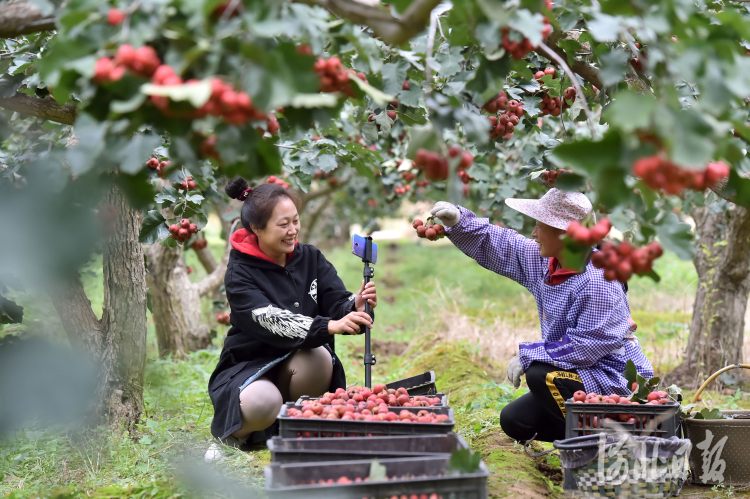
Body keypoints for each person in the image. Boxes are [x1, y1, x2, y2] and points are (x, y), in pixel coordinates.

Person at [430, 188, 654, 443]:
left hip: (614, 380)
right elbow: (506, 245)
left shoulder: (598, 282)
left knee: (541, 374)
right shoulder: (548, 261)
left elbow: (586, 346)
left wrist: (528, 355)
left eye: (539, 227)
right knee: (515, 420)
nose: (534, 234)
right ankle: (589, 437)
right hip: (580, 373)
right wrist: (460, 223)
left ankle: (614, 438)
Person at [206, 178, 376, 460]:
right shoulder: (240, 272)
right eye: (283, 224)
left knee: (320, 357)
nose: (293, 230)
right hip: (250, 366)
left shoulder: (310, 257)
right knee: (263, 401)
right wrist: (327, 326)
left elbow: (334, 299)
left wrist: (353, 306)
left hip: (296, 362)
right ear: (257, 229)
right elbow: (270, 319)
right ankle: (233, 439)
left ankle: (297, 429)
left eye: (295, 221)